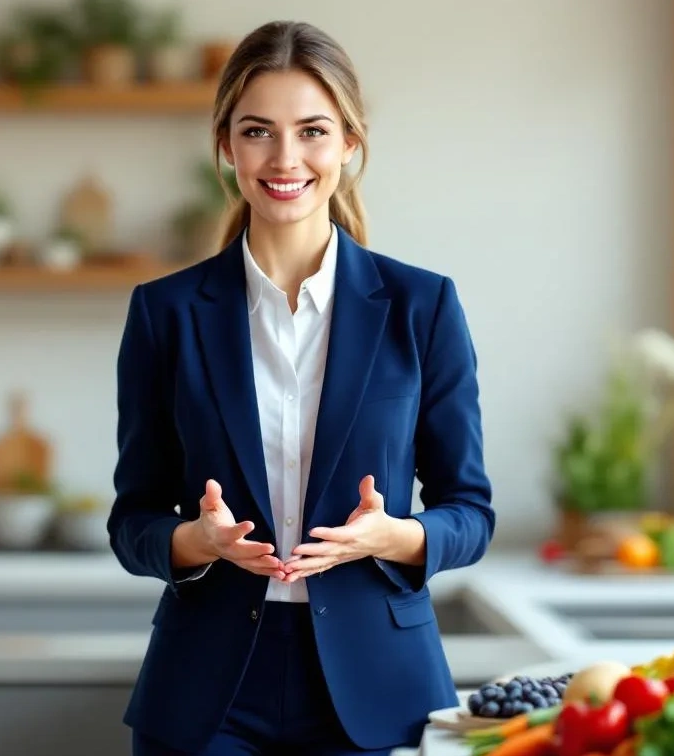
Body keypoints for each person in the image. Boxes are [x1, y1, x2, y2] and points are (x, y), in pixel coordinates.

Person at [108, 19, 495, 756]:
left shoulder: (422, 307)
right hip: (204, 693)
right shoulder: (165, 313)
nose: (285, 158)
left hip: (378, 688)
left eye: (312, 131)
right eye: (257, 131)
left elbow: (470, 511)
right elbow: (133, 521)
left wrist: (394, 536)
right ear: (226, 146)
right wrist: (196, 541)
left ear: (349, 143)